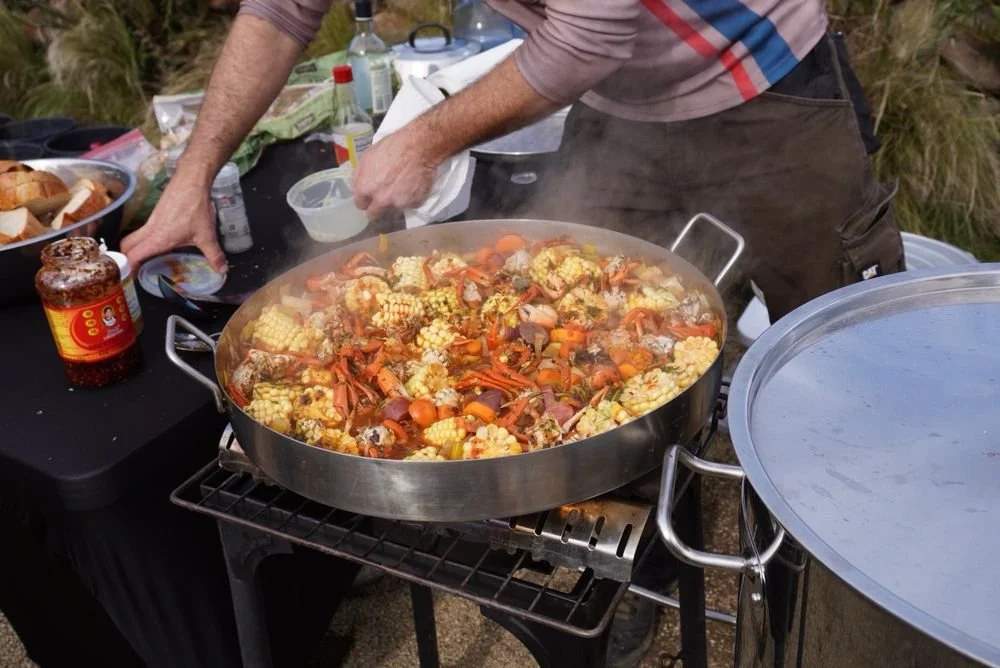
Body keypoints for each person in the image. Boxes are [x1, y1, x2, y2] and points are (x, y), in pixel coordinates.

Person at [121, 1, 905, 664]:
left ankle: (845, 611)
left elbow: (588, 34)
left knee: (838, 368)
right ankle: (644, 570)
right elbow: (282, 8)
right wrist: (191, 181)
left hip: (764, 84)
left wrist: (427, 137)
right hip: (614, 102)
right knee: (608, 360)